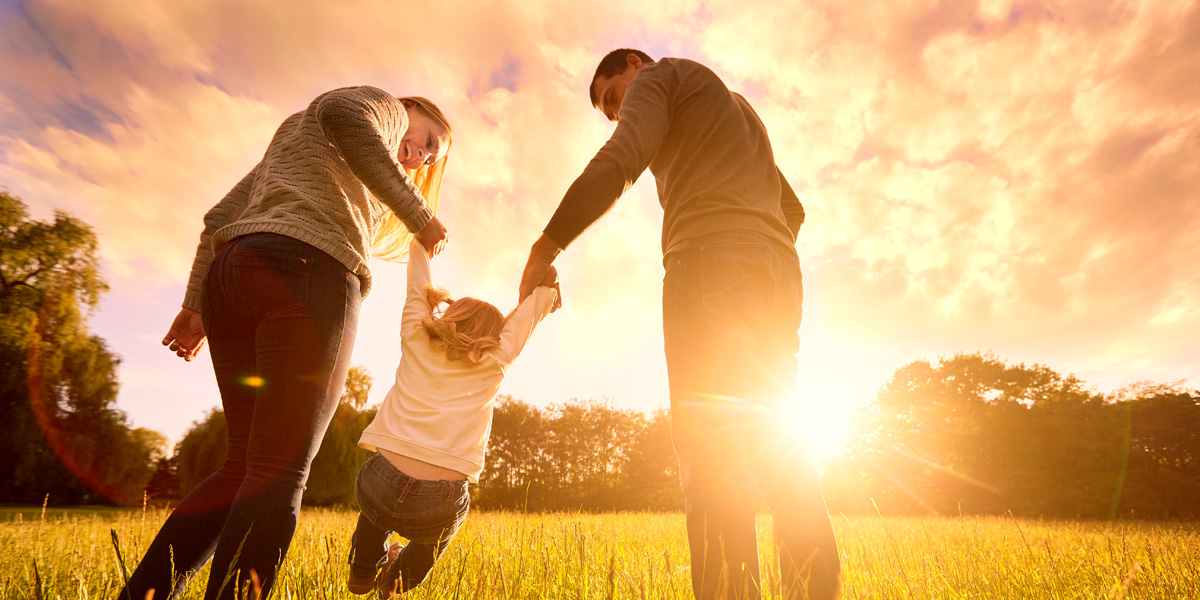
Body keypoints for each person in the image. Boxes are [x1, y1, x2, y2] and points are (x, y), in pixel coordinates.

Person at [518, 50, 841, 600]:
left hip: (708, 263)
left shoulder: (661, 77)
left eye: (616, 97)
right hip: (778, 274)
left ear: (635, 64)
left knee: (710, 448)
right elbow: (794, 209)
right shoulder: (735, 108)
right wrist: (757, 249)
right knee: (778, 446)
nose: (618, 112)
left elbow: (623, 158)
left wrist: (545, 246)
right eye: (608, 109)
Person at [123, 86, 453, 600]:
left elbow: (218, 216)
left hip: (232, 277)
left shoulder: (297, 140)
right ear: (412, 110)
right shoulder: (382, 107)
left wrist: (195, 306)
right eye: (429, 137)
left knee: (242, 469)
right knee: (277, 472)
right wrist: (420, 214)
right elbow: (344, 112)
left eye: (433, 156)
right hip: (307, 272)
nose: (425, 155)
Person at [347, 237, 560, 597]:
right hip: (439, 500)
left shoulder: (416, 336)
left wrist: (421, 243)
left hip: (380, 481)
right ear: (496, 336)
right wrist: (548, 291)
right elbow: (531, 311)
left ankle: (362, 573)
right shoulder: (496, 359)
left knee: (376, 511)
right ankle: (396, 582)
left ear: (450, 315)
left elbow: (417, 285)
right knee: (433, 540)